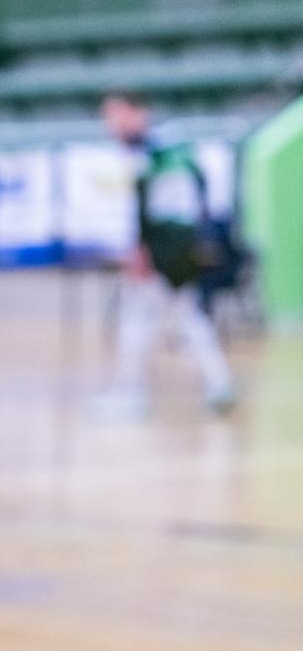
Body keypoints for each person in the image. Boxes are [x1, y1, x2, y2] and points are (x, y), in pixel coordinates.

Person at [98, 92, 236, 416]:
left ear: (137, 112)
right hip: (182, 248)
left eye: (115, 115)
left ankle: (130, 396)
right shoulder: (178, 149)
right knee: (186, 317)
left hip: (164, 251)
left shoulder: (149, 155)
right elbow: (203, 194)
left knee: (137, 321)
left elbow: (145, 211)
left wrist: (141, 250)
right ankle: (219, 383)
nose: (111, 125)